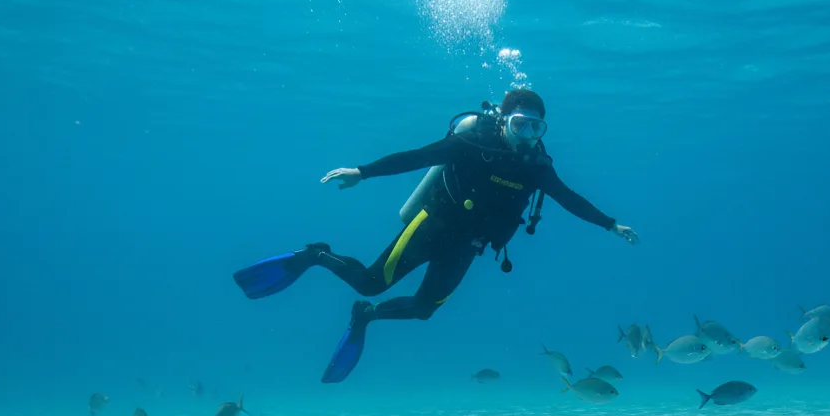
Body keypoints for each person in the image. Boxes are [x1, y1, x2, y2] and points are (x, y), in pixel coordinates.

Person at [233, 89, 638, 382]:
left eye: (536, 127)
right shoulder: (472, 142)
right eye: (520, 124)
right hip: (431, 227)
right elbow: (418, 157)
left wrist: (610, 224)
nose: (527, 135)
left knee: (425, 310)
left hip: (468, 247)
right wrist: (363, 172)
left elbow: (568, 198)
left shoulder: (537, 166)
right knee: (371, 282)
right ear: (504, 120)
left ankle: (365, 317)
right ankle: (316, 255)